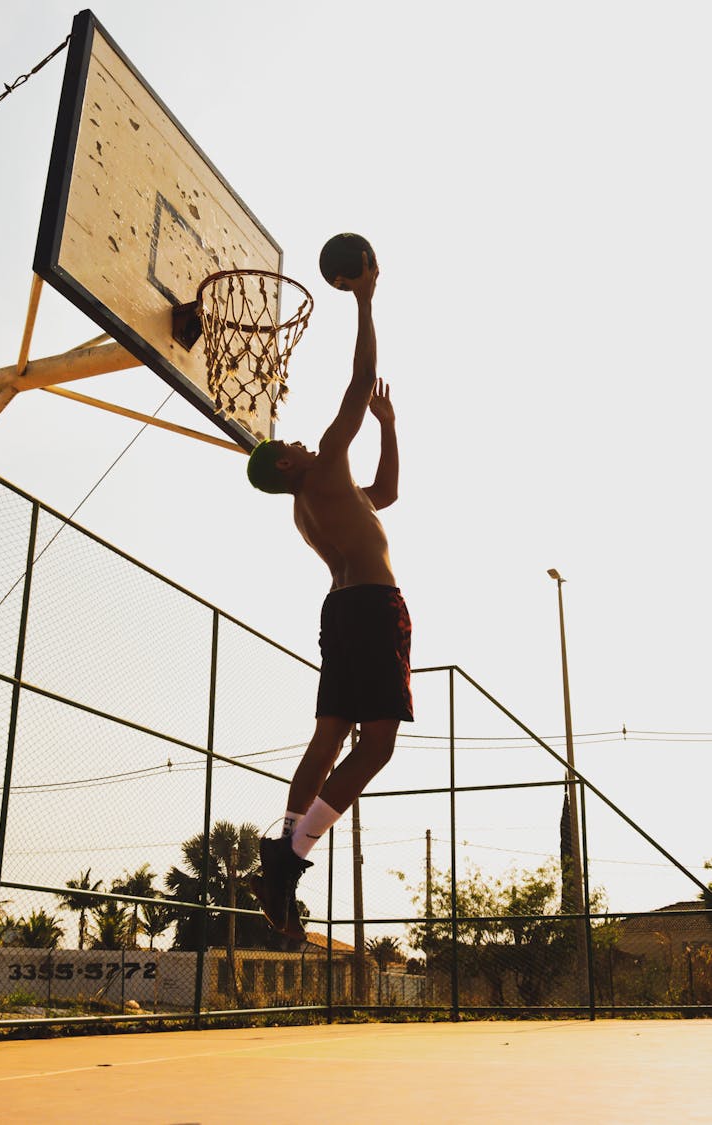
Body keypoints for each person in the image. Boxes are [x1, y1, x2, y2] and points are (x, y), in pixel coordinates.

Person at [245, 253, 413, 941]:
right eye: (287, 442)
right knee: (374, 749)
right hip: (373, 608)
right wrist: (365, 301)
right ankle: (291, 856)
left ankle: (284, 847)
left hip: (343, 610)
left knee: (329, 736)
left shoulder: (316, 501)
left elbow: (388, 496)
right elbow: (354, 382)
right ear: (286, 464)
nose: (297, 437)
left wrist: (389, 427)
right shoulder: (322, 470)